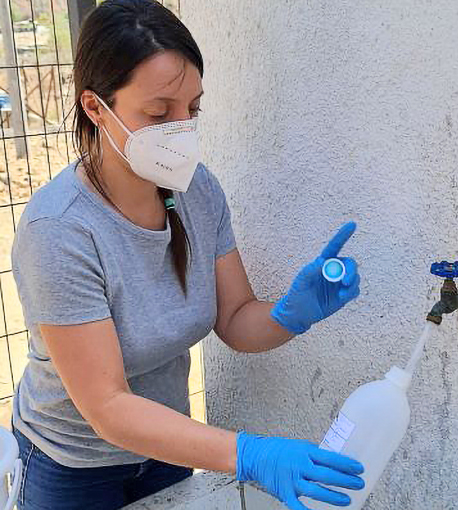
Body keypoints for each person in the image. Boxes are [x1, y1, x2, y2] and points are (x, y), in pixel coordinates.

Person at [9, 1, 363, 509]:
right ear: (94, 107)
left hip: (167, 447)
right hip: (72, 468)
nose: (182, 129)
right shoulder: (59, 230)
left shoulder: (197, 192)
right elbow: (107, 406)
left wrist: (293, 312)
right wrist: (251, 454)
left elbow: (237, 320)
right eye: (159, 113)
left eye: (192, 109)